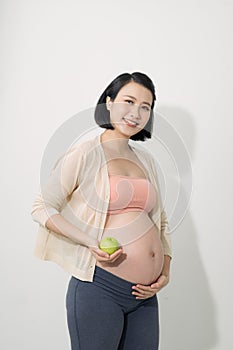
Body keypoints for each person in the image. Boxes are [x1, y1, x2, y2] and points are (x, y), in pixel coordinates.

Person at [31, 71, 172, 350]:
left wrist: (165, 271)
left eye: (146, 107)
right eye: (129, 101)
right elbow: (42, 207)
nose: (136, 113)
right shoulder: (85, 154)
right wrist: (90, 241)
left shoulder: (147, 161)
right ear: (108, 102)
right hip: (100, 288)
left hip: (145, 298)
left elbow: (161, 223)